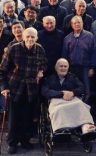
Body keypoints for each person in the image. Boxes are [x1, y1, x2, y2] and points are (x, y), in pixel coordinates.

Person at [0, 27, 47, 155]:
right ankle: (12, 143)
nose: (30, 39)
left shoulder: (40, 49)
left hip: (31, 88)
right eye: (28, 36)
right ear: (23, 37)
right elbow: (2, 70)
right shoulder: (13, 48)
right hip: (15, 87)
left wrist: (41, 70)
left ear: (36, 38)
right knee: (14, 117)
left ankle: (25, 140)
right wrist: (4, 87)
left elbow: (44, 64)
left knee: (27, 116)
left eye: (33, 37)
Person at [41, 58, 96, 139]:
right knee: (59, 109)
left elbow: (82, 88)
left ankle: (86, 128)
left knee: (81, 105)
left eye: (65, 66)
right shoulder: (49, 79)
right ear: (56, 68)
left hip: (72, 100)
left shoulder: (72, 77)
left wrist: (73, 92)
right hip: (56, 101)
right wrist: (61, 93)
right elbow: (45, 91)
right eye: (61, 66)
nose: (63, 68)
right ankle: (61, 129)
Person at [62, 16, 96, 102]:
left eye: (79, 22)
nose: (77, 24)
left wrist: (92, 67)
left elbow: (94, 52)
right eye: (75, 23)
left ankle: (86, 109)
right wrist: (65, 69)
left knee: (86, 90)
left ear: (82, 23)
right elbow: (64, 55)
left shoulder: (89, 36)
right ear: (71, 25)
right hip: (72, 68)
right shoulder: (67, 38)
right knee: (73, 89)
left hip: (85, 67)